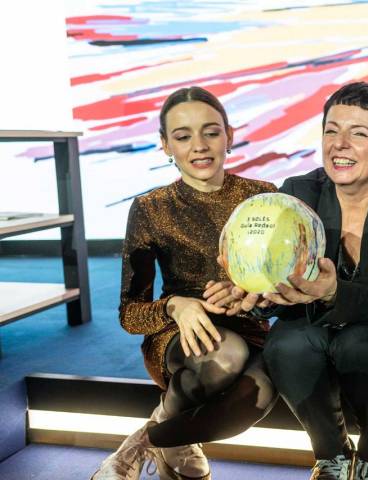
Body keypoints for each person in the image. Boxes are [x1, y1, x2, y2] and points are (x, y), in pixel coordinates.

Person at [217, 81, 368, 480]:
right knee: (287, 342)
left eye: (358, 133)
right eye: (331, 130)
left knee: (362, 341)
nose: (339, 144)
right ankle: (333, 460)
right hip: (325, 336)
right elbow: (283, 290)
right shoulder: (297, 194)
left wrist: (332, 290)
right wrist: (255, 293)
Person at [92, 86, 277, 480]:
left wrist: (255, 298)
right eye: (182, 136)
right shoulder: (150, 208)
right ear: (164, 145)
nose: (199, 146)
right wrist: (177, 305)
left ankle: (156, 439)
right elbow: (130, 314)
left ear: (230, 134)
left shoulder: (264, 198)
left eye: (211, 132)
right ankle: (149, 449)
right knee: (225, 354)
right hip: (180, 340)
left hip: (255, 334)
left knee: (253, 399)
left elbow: (286, 296)